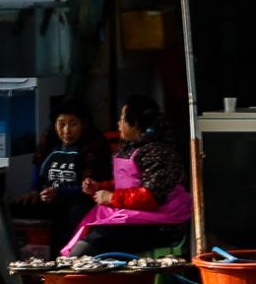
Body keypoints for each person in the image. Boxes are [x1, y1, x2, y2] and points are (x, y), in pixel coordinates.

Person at [66, 95, 192, 256]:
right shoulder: (132, 148)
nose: (118, 123)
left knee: (95, 242)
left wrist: (111, 198)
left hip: (161, 224)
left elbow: (151, 197)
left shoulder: (158, 153)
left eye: (122, 118)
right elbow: (128, 183)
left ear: (136, 123)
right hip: (135, 216)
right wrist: (100, 187)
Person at [12, 100, 111, 254]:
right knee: (20, 208)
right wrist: (33, 190)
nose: (66, 131)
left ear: (84, 123)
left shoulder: (95, 144)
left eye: (73, 124)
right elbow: (38, 163)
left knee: (75, 214)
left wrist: (60, 192)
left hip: (81, 199)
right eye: (61, 124)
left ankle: (67, 257)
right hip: (50, 196)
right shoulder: (50, 137)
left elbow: (90, 185)